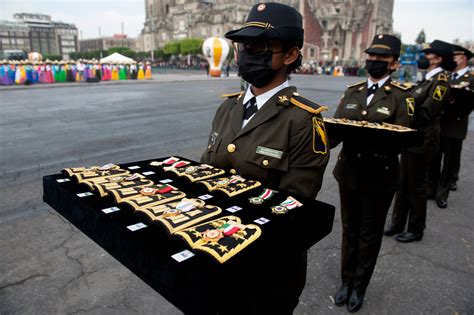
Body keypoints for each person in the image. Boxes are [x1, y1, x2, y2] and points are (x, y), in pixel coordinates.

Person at [201, 3, 329, 313]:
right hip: (217, 250)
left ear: (290, 55)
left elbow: (293, 206)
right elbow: (205, 173)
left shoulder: (303, 121)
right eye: (245, 46)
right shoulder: (227, 108)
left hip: (267, 269)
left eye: (261, 47)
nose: (248, 53)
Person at [331, 34, 413, 313]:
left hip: (380, 175)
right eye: (371, 57)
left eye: (382, 58)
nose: (374, 62)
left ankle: (359, 286)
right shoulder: (352, 91)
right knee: (350, 230)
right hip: (349, 172)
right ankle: (345, 281)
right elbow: (338, 125)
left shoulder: (402, 96)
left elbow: (404, 137)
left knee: (370, 234)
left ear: (394, 64)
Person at [385, 40, 454, 242]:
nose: (424, 57)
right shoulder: (427, 79)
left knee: (416, 186)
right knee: (403, 183)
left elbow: (426, 113)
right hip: (411, 137)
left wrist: (401, 110)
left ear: (437, 59)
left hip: (423, 140)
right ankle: (397, 223)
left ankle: (416, 228)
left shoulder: (440, 81)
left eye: (429, 54)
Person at [429, 45, 473, 208]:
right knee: (434, 158)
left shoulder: (471, 78)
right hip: (439, 122)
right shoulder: (445, 76)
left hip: (455, 124)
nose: (452, 61)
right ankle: (431, 189)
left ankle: (442, 194)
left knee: (449, 162)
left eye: (455, 58)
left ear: (463, 60)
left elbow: (469, 104)